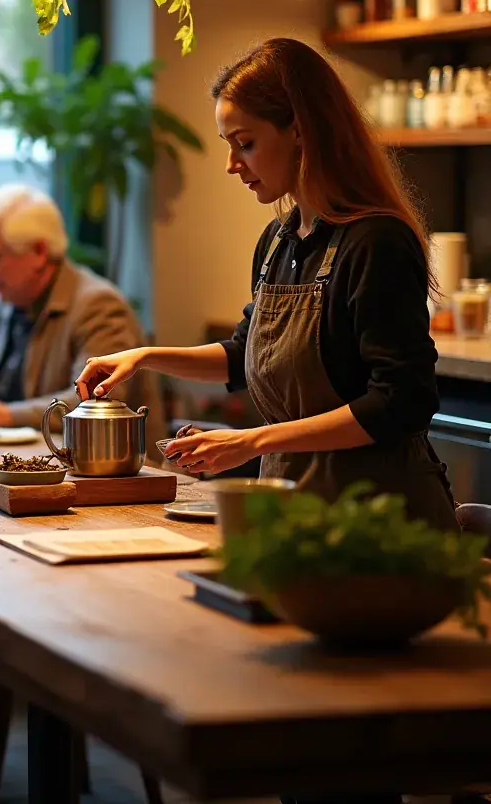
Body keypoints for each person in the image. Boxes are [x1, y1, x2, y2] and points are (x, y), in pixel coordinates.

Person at [77, 37, 457, 533]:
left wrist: (252, 441)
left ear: (300, 131)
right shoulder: (279, 241)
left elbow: (400, 401)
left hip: (380, 524)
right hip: (299, 515)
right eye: (229, 146)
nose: (233, 164)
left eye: (246, 143)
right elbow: (244, 353)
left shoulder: (376, 241)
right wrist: (144, 357)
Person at [0, 184, 164, 437]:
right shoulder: (3, 301)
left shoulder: (98, 305)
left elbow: (96, 401)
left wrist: (4, 415)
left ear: (39, 252)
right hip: (35, 464)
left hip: (109, 471)